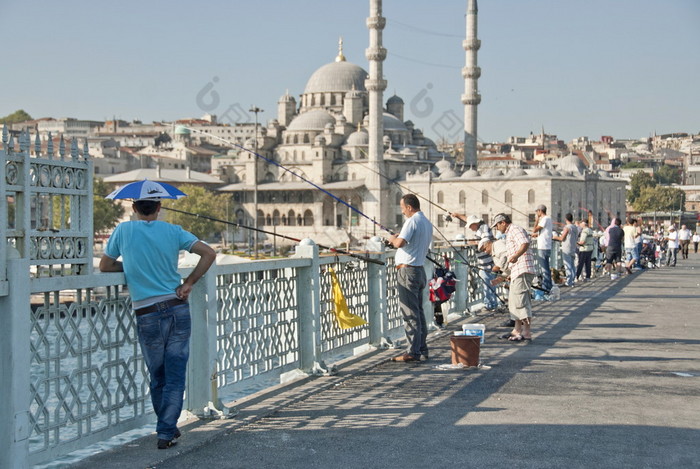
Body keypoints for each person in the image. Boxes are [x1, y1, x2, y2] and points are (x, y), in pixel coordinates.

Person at [99, 197, 216, 449]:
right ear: (160, 207)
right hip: (176, 308)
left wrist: (133, 265)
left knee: (158, 376)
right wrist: (190, 282)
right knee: (175, 374)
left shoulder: (124, 230)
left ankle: (166, 430)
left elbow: (105, 265)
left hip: (147, 312)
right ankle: (166, 431)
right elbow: (209, 253)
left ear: (134, 209)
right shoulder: (174, 231)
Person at [387, 194, 433, 362]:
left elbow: (399, 244)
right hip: (419, 270)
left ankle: (412, 352)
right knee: (419, 312)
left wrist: (392, 239)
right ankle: (422, 348)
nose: (402, 211)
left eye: (403, 208)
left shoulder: (412, 221)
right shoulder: (426, 223)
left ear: (409, 207)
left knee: (410, 314)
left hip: (407, 272)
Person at [492, 213, 536, 342]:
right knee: (514, 302)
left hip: (522, 270)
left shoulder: (515, 229)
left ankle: (526, 332)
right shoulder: (510, 232)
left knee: (521, 302)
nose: (497, 228)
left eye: (497, 225)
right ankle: (517, 330)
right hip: (517, 271)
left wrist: (516, 256)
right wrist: (504, 277)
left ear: (503, 222)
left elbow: (524, 243)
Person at [531, 204, 553, 299]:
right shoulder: (548, 219)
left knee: (545, 269)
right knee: (546, 268)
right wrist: (538, 236)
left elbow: (535, 229)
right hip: (546, 246)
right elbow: (543, 232)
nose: (536, 213)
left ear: (540, 211)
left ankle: (547, 288)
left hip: (543, 247)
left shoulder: (544, 219)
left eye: (537, 211)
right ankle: (548, 287)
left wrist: (536, 221)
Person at [553, 213, 578, 287]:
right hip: (573, 247)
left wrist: (554, 237)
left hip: (567, 248)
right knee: (572, 265)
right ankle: (572, 280)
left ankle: (569, 281)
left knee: (568, 265)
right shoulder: (575, 227)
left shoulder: (567, 227)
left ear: (566, 219)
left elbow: (562, 238)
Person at [476, 236, 498, 312]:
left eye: (485, 249)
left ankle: (492, 304)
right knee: (487, 287)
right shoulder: (481, 245)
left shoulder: (493, 246)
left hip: (492, 268)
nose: (485, 251)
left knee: (492, 286)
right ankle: (489, 304)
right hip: (484, 269)